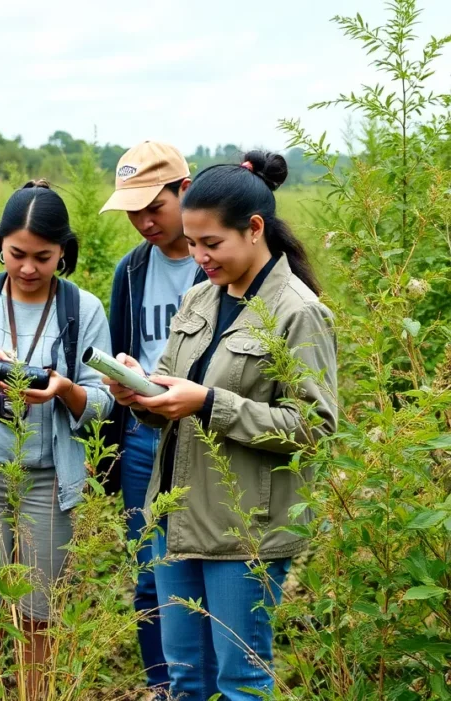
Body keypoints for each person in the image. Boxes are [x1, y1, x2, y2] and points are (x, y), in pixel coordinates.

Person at [106, 151, 338, 699]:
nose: (199, 256)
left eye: (211, 244)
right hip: (174, 516)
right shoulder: (200, 296)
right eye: (191, 243)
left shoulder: (297, 313)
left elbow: (315, 429)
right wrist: (139, 391)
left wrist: (211, 403)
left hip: (243, 528)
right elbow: (170, 384)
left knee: (240, 681)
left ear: (254, 229)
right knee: (186, 677)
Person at [0, 180, 112, 691]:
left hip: (50, 482)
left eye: (43, 256)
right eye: (16, 254)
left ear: (64, 252)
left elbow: (103, 404)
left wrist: (63, 390)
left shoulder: (84, 309)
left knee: (39, 614)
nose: (28, 268)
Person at [99, 140, 205, 691]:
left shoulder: (218, 262)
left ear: (184, 191)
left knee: (207, 570)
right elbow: (125, 344)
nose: (143, 222)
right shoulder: (132, 269)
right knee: (149, 576)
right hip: (144, 437)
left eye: (153, 207)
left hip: (206, 433)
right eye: (132, 211)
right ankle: (162, 686)